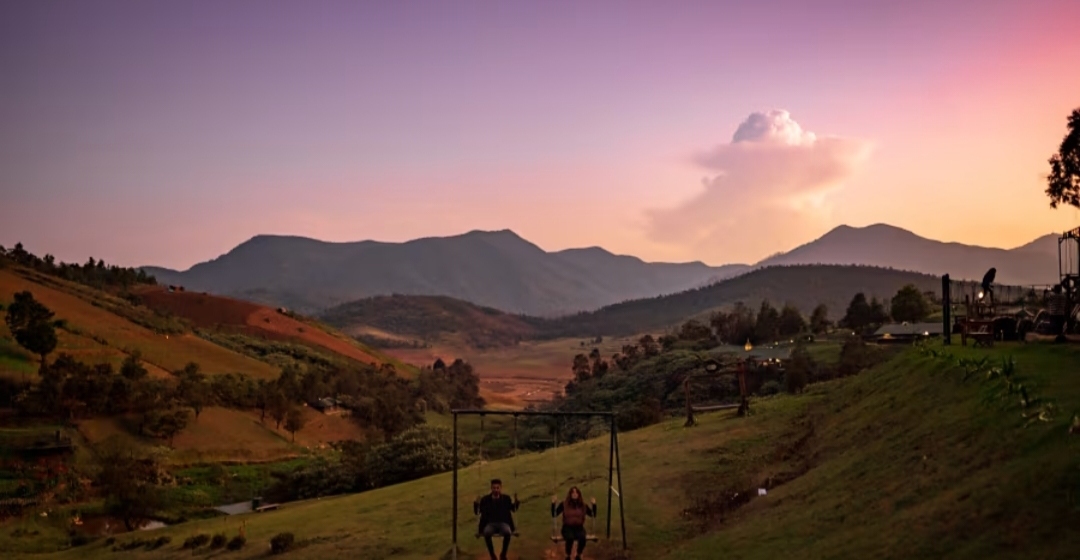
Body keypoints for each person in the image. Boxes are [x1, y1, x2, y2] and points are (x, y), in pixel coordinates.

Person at [474, 478, 519, 560]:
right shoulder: (485, 500)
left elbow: (513, 509)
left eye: (497, 488)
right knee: (487, 532)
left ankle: (503, 554)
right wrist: (476, 503)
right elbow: (477, 512)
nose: (496, 490)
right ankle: (492, 555)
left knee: (507, 532)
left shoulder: (506, 498)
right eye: (494, 488)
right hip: (490, 523)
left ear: (500, 488)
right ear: (491, 488)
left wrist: (516, 502)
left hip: (503, 523)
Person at [551, 486, 597, 560]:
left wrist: (594, 505)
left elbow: (592, 514)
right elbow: (554, 514)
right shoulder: (564, 504)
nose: (574, 494)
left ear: (579, 494)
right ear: (570, 494)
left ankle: (578, 554)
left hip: (579, 528)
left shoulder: (583, 505)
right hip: (567, 528)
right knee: (570, 538)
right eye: (573, 492)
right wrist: (553, 504)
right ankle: (568, 555)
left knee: (582, 538)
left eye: (576, 492)